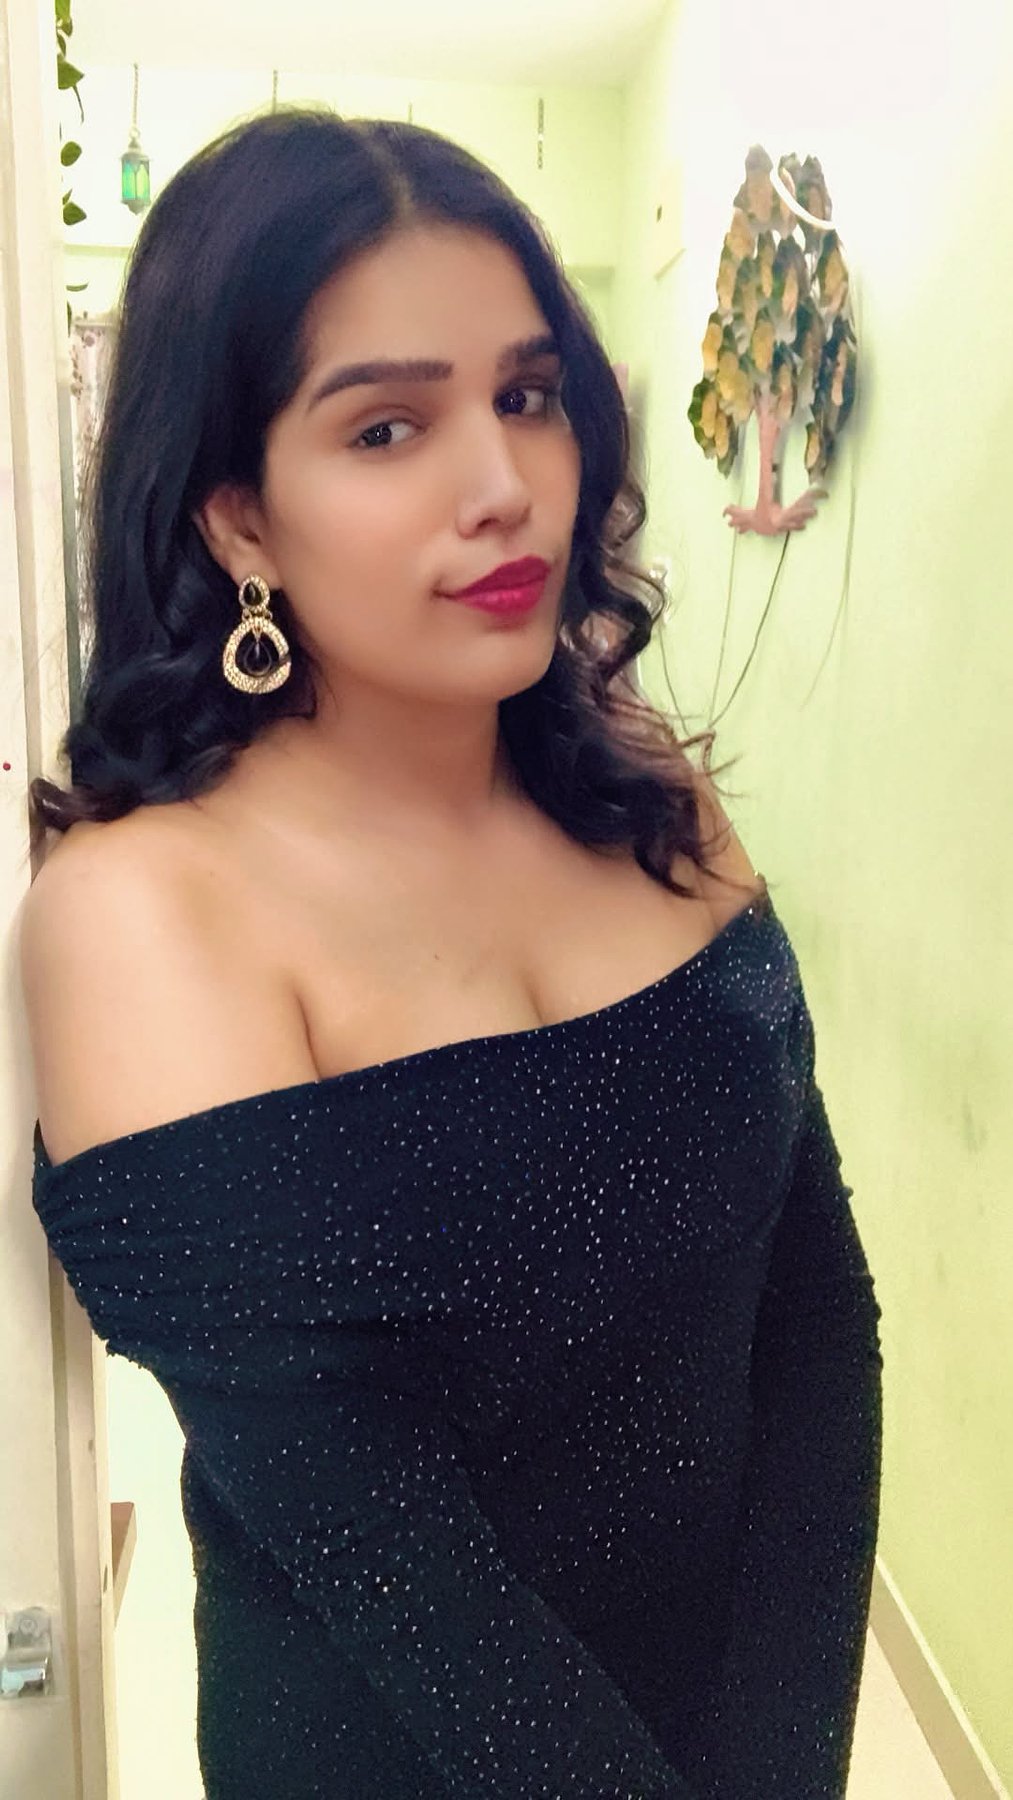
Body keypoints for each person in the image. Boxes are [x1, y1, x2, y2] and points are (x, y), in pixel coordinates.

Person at [20, 107, 882, 1799]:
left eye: (528, 395)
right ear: (238, 519)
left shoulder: (647, 789)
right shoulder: (142, 912)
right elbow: (375, 1554)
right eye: (387, 425)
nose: (502, 488)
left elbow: (813, 1320)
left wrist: (787, 1758)